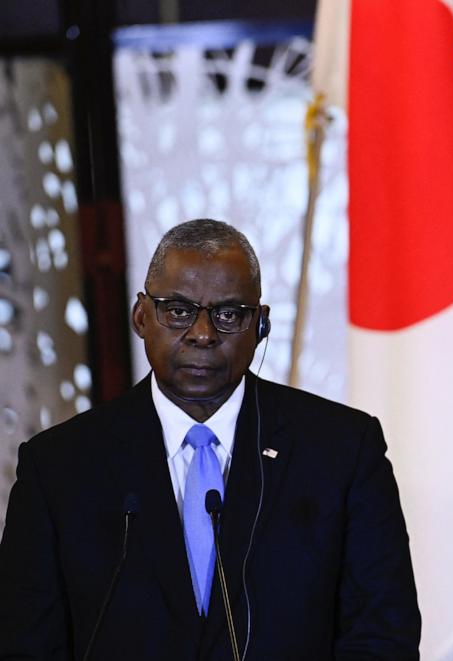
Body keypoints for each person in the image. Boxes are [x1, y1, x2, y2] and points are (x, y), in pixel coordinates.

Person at [0, 219, 420, 660]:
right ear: (141, 317)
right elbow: (24, 645)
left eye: (228, 314)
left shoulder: (343, 451)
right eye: (178, 310)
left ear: (261, 324)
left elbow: (383, 637)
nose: (203, 334)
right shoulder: (58, 467)